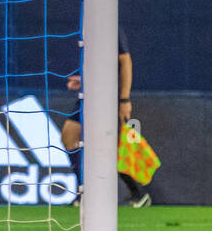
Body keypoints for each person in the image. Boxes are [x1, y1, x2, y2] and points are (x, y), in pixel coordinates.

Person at [62, 27, 156, 208]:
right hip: (88, 96)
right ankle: (84, 192)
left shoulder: (109, 24)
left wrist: (124, 99)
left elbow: (125, 61)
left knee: (111, 148)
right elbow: (101, 66)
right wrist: (83, 80)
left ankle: (138, 193)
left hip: (109, 96)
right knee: (69, 138)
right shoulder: (86, 25)